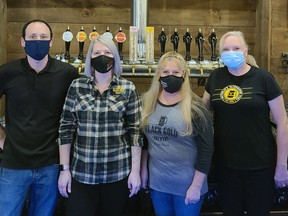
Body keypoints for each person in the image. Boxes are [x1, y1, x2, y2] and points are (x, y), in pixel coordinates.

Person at [202, 30, 288, 216]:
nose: (231, 52)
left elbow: (283, 122)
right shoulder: (215, 77)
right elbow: (202, 112)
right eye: (226, 49)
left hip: (260, 166)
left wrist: (282, 165)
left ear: (245, 51)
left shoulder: (264, 79)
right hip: (226, 166)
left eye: (236, 48)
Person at [0, 19, 79, 215]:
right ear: (22, 41)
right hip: (14, 164)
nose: (38, 41)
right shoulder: (7, 72)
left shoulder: (67, 74)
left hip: (50, 164)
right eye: (32, 37)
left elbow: (75, 116)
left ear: (51, 42)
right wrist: (2, 138)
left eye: (43, 37)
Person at [57, 35, 143, 216]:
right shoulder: (77, 86)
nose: (102, 56)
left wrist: (135, 172)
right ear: (90, 58)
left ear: (114, 58)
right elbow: (66, 128)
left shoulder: (128, 88)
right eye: (97, 52)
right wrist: (64, 170)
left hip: (118, 174)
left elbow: (135, 132)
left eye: (107, 52)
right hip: (82, 174)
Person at [140, 51, 214, 216]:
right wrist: (143, 171)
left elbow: (206, 151)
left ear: (184, 74)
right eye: (165, 72)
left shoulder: (196, 107)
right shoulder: (147, 103)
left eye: (175, 72)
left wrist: (196, 186)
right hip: (158, 184)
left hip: (187, 186)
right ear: (158, 74)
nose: (170, 76)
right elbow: (144, 141)